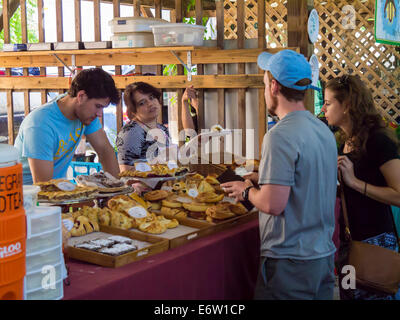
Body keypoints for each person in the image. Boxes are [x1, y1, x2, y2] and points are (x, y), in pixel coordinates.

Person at [221, 49, 338, 300]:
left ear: (274, 86)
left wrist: (246, 190)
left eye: (264, 84)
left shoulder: (279, 135)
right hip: (323, 257)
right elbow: (306, 182)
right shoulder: (323, 130)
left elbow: (272, 204)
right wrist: (262, 180)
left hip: (289, 262)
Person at [322, 74, 400, 300]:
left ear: (346, 105)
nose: (324, 110)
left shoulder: (378, 141)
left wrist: (355, 183)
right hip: (350, 242)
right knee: (349, 295)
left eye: (328, 103)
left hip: (376, 242)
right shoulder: (343, 141)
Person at [14, 68, 121, 184]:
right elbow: (44, 186)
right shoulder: (40, 124)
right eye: (98, 106)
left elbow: (105, 150)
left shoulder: (85, 113)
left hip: (58, 190)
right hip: (26, 196)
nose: (99, 114)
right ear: (81, 96)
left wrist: (118, 191)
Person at [116, 82, 199, 171]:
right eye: (142, 103)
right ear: (133, 110)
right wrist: (158, 161)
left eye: (151, 98)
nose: (150, 104)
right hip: (141, 185)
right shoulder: (131, 132)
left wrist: (184, 102)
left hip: (166, 184)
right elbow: (126, 171)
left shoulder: (162, 129)